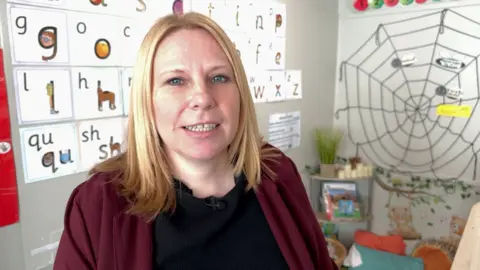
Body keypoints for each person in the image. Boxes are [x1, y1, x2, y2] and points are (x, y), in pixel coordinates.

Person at [53, 12, 337, 270]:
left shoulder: (277, 172)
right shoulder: (96, 204)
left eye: (219, 77)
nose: (202, 97)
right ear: (147, 101)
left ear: (240, 94)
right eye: (176, 81)